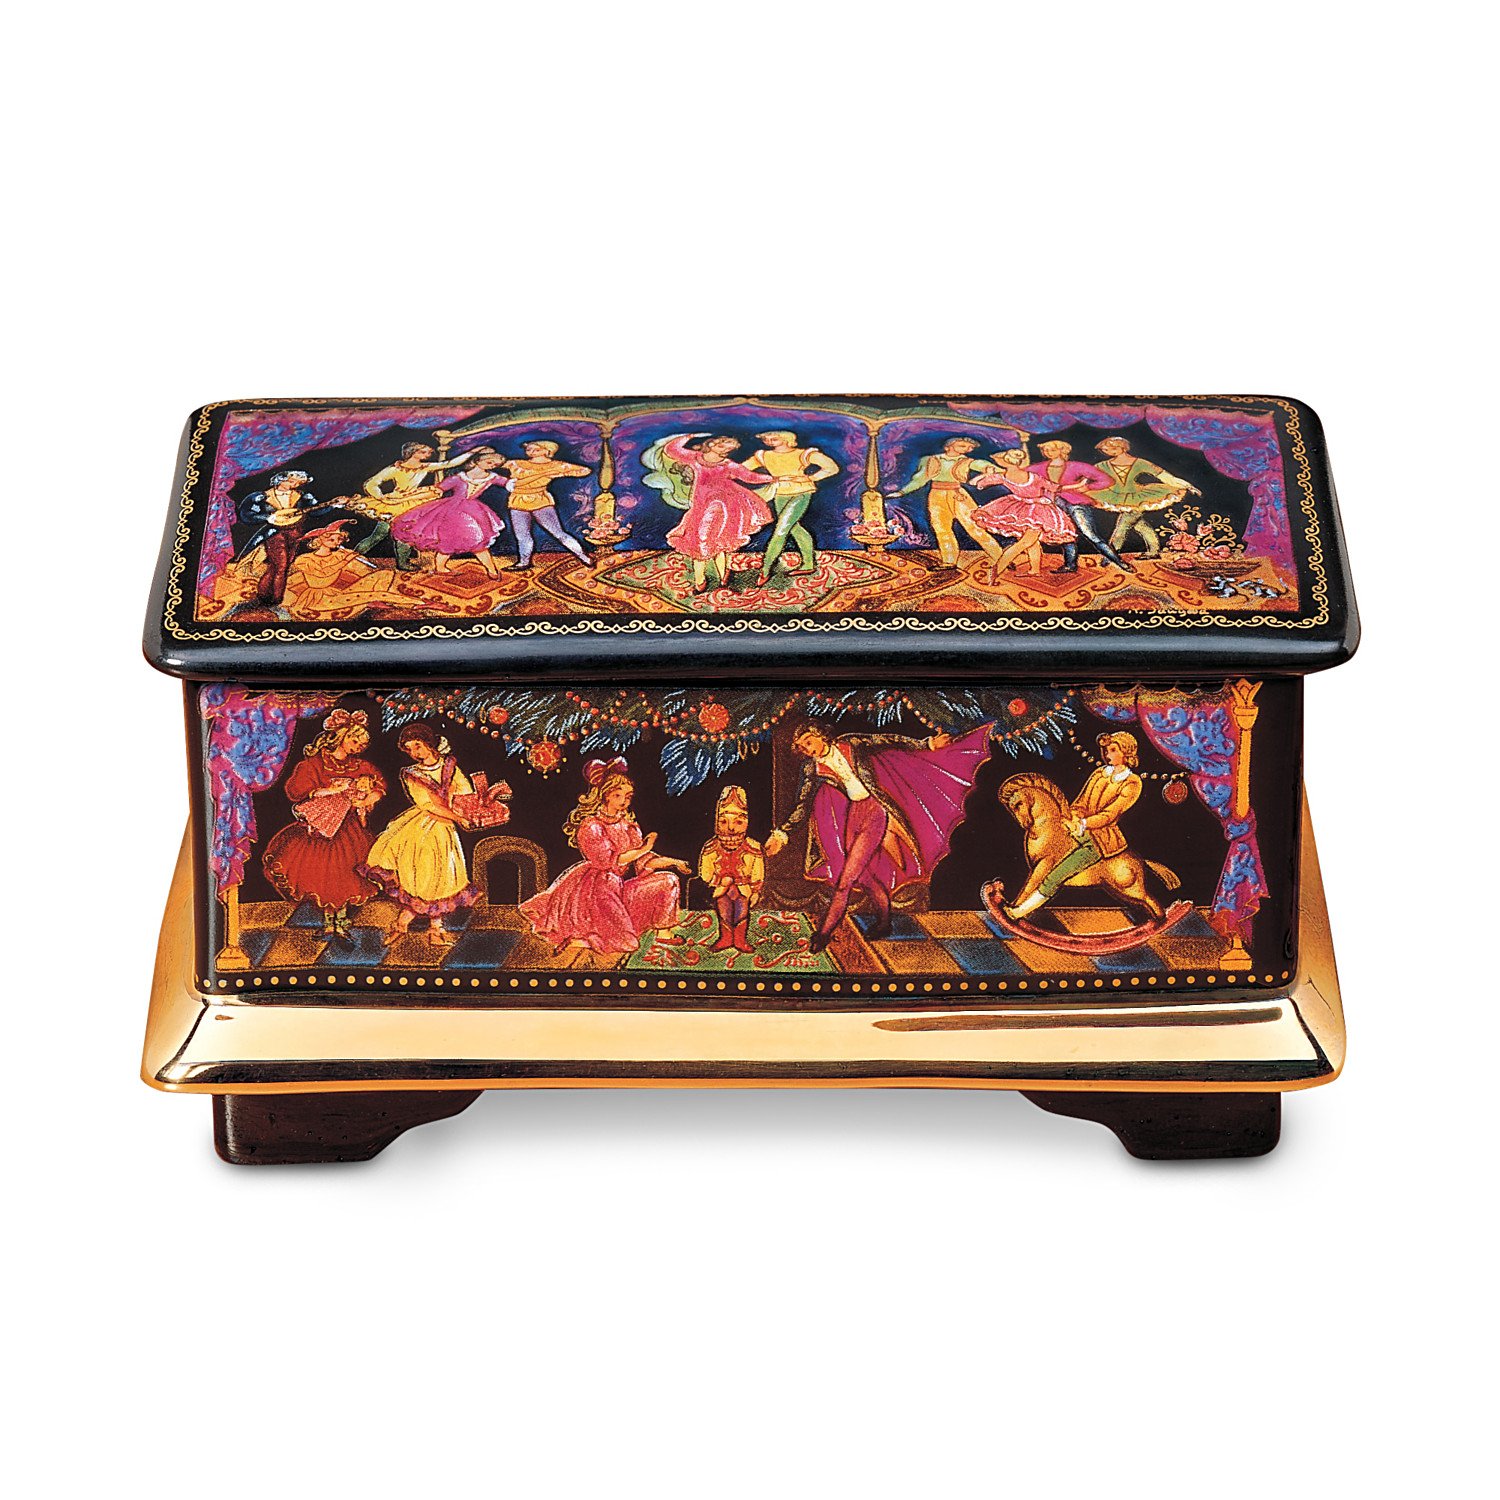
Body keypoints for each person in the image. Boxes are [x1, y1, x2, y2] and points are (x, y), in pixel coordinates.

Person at [764, 720, 991, 953]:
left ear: (820, 735)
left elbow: (888, 740)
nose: (807, 750)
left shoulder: (851, 743)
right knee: (864, 878)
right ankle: (884, 922)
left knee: (844, 883)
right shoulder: (811, 768)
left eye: (808, 742)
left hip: (874, 812)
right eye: (802, 747)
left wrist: (927, 744)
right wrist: (782, 834)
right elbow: (802, 804)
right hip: (854, 815)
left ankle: (823, 934)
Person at [520, 759, 690, 958]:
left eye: (628, 796)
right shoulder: (591, 826)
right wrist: (645, 847)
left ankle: (664, 934)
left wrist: (674, 862)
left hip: (620, 887)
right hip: (598, 890)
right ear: (605, 795)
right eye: (618, 795)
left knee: (669, 880)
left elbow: (643, 861)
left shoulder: (628, 826)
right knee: (627, 943)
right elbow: (609, 862)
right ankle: (582, 940)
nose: (624, 801)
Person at [262, 709, 386, 938]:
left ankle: (342, 921)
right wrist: (330, 790)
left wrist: (366, 799)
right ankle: (329, 922)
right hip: (321, 830)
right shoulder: (315, 764)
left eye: (362, 744)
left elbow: (379, 787)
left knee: (347, 871)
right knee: (324, 873)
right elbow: (296, 791)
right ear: (340, 736)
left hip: (350, 829)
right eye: (354, 740)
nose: (358, 747)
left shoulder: (361, 766)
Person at [360, 722, 480, 947]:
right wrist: (457, 816)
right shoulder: (412, 774)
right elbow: (428, 805)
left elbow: (465, 791)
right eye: (409, 749)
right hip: (423, 829)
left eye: (417, 745)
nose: (415, 752)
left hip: (445, 828)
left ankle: (434, 929)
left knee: (443, 878)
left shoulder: (449, 765)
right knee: (423, 878)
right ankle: (402, 924)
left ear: (429, 743)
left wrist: (470, 807)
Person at [1003, 731, 1146, 921]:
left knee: (1055, 875)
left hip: (1101, 839)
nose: (1107, 754)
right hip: (1079, 828)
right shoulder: (1100, 774)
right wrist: (1072, 817)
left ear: (1126, 752)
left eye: (1113, 750)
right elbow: (1082, 802)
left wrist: (1084, 823)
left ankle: (1019, 911)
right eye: (1106, 750)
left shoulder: (1132, 783)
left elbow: (1110, 814)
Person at [659, 434, 775, 593]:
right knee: (706, 541)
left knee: (704, 538)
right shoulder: (696, 458)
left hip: (722, 504)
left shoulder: (728, 465)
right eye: (722, 443)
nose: (724, 447)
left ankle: (708, 580)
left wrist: (773, 478)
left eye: (728, 447)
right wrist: (689, 436)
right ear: (711, 444)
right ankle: (713, 578)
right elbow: (672, 450)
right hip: (700, 505)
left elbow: (750, 477)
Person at [740, 430, 839, 585]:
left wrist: (810, 478)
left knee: (781, 530)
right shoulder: (764, 455)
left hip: (801, 493)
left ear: (787, 438)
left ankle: (766, 568)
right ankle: (809, 564)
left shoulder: (803, 454)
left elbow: (832, 468)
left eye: (774, 438)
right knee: (794, 529)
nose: (769, 441)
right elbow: (741, 470)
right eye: (766, 439)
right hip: (780, 494)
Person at [890, 437, 1005, 570]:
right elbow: (919, 480)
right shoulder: (930, 460)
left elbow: (986, 466)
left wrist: (991, 469)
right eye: (963, 446)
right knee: (942, 529)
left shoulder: (967, 461)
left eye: (970, 448)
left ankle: (1001, 557)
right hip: (937, 496)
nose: (967, 449)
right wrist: (902, 492)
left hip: (959, 496)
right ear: (948, 446)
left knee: (975, 527)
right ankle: (949, 561)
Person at [356, 440, 472, 570]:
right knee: (380, 534)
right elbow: (371, 483)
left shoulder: (424, 467)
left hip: (412, 503)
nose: (427, 454)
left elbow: (448, 464)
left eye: (428, 452)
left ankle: (402, 563)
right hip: (394, 503)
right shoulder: (396, 469)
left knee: (404, 534)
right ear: (412, 452)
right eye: (423, 452)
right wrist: (381, 498)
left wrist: (471, 452)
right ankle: (353, 556)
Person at [970, 440, 1077, 579]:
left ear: (1005, 463)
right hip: (1029, 510)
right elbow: (1055, 487)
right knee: (1030, 542)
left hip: (1035, 511)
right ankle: (1034, 570)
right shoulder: (1032, 477)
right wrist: (1077, 485)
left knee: (1025, 542)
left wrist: (986, 475)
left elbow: (977, 484)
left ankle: (996, 571)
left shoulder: (1002, 477)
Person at [391, 448, 507, 577]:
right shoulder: (457, 478)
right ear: (477, 461)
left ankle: (491, 570)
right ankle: (441, 567)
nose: (492, 466)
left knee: (478, 541)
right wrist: (405, 498)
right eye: (489, 462)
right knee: (449, 540)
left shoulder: (492, 477)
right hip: (452, 511)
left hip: (474, 512)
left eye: (495, 465)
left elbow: (509, 482)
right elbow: (436, 491)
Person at [1090, 436, 1200, 558]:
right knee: (1140, 525)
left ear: (1122, 448)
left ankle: (1112, 553)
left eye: (1111, 449)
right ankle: (1154, 551)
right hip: (1116, 496)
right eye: (1105, 450)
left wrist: (1187, 485)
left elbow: (1165, 476)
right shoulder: (1102, 465)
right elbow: (1087, 478)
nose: (1108, 452)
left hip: (1138, 498)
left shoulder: (1140, 463)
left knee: (1123, 525)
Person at [1029, 440, 1129, 571]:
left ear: (1062, 451)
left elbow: (1107, 480)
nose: (1048, 453)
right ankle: (1070, 565)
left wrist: (1087, 487)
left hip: (1076, 504)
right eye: (1045, 450)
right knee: (1065, 535)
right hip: (1053, 506)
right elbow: (1019, 475)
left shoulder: (1077, 466)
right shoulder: (1038, 468)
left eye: (1052, 450)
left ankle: (1119, 562)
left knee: (1090, 534)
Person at [237, 470, 329, 606]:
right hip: (275, 534)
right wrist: (267, 517)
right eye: (291, 481)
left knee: (278, 567)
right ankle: (276, 599)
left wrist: (334, 505)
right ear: (280, 480)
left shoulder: (302, 496)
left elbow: (316, 510)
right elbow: (245, 515)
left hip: (295, 534)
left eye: (299, 483)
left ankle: (264, 595)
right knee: (281, 566)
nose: (295, 485)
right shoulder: (260, 497)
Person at [498, 440, 592, 569]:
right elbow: (491, 464)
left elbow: (585, 470)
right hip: (517, 500)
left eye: (536, 449)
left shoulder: (555, 465)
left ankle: (584, 557)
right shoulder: (517, 463)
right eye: (528, 449)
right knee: (522, 535)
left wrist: (560, 472)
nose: (531, 452)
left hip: (541, 501)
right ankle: (523, 562)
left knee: (558, 533)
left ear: (548, 451)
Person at [697, 785, 765, 953]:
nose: (731, 828)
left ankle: (740, 939)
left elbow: (758, 871)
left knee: (741, 911)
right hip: (722, 890)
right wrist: (721, 882)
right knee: (724, 910)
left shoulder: (753, 847)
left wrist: (755, 890)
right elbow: (705, 872)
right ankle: (726, 938)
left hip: (744, 889)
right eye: (724, 821)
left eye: (738, 822)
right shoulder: (711, 847)